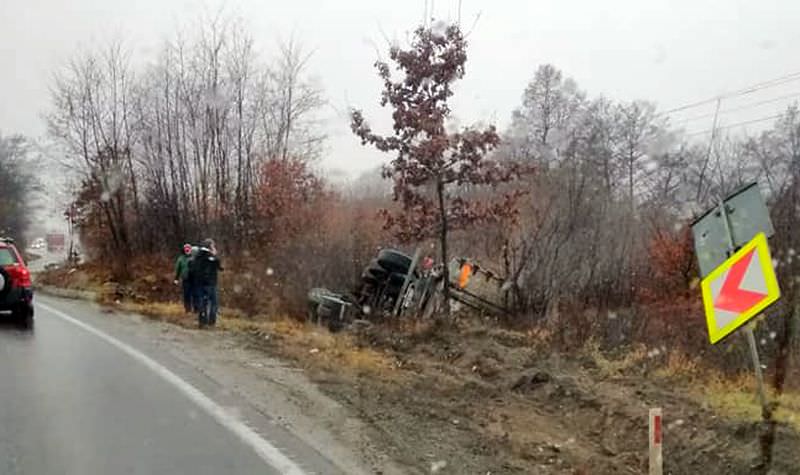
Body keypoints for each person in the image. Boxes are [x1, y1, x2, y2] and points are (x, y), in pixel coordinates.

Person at [193, 238, 222, 328]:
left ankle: (202, 322)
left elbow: (194, 268)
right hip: (210, 283)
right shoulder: (210, 256)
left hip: (199, 283)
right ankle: (211, 322)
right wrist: (215, 256)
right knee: (214, 303)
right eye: (213, 245)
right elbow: (219, 266)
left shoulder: (197, 256)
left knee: (202, 302)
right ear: (210, 246)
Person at [173, 243, 194, 313]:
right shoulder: (181, 259)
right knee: (187, 294)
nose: (187, 250)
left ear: (191, 250)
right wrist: (176, 279)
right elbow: (178, 270)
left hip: (194, 279)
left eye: (189, 249)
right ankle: (187, 309)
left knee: (195, 294)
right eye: (186, 249)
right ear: (184, 250)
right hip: (186, 279)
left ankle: (195, 309)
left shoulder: (194, 258)